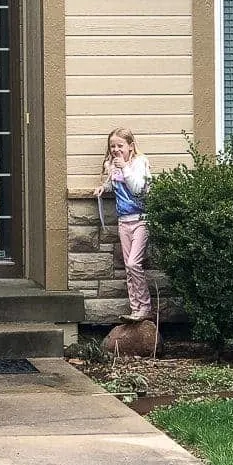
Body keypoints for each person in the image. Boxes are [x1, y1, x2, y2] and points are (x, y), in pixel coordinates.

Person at [94, 128, 152, 323]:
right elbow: (115, 185)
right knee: (129, 267)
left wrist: (124, 167)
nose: (116, 149)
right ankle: (135, 309)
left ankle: (145, 307)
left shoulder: (139, 163)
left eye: (120, 145)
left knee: (134, 263)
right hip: (123, 221)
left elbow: (137, 189)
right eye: (112, 146)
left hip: (140, 219)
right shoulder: (112, 165)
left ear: (130, 146)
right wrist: (104, 187)